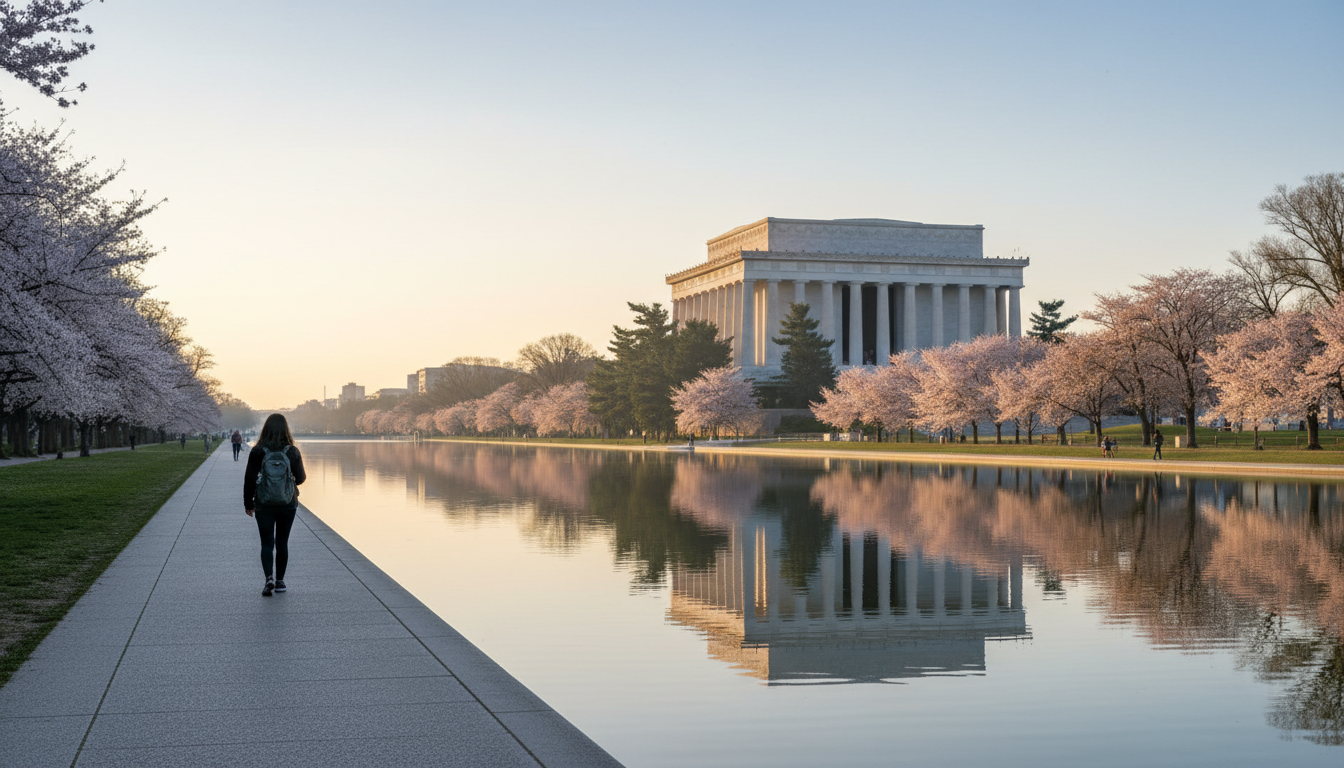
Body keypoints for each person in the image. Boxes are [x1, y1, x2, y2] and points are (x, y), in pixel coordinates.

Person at [244, 413, 306, 597]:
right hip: (287, 503)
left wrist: (248, 503)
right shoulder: (292, 451)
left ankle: (268, 578)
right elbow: (301, 478)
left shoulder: (257, 451)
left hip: (263, 503)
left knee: (266, 543)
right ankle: (280, 582)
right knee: (282, 542)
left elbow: (249, 479)